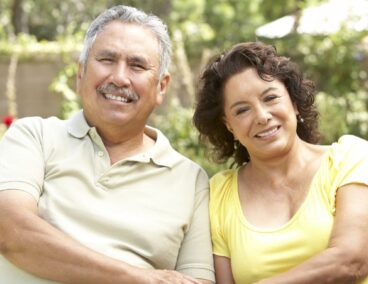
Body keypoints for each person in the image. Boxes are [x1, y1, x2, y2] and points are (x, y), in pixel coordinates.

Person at [0, 5, 215, 284]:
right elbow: (10, 231)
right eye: (107, 59)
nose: (119, 77)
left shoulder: (190, 180)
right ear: (81, 73)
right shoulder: (35, 136)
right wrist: (139, 278)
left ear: (161, 87)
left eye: (137, 65)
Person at [193, 41, 368, 284]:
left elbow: (351, 261)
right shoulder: (220, 193)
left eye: (270, 98)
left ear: (293, 102)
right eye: (242, 110)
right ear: (229, 126)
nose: (262, 116)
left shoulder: (351, 159)